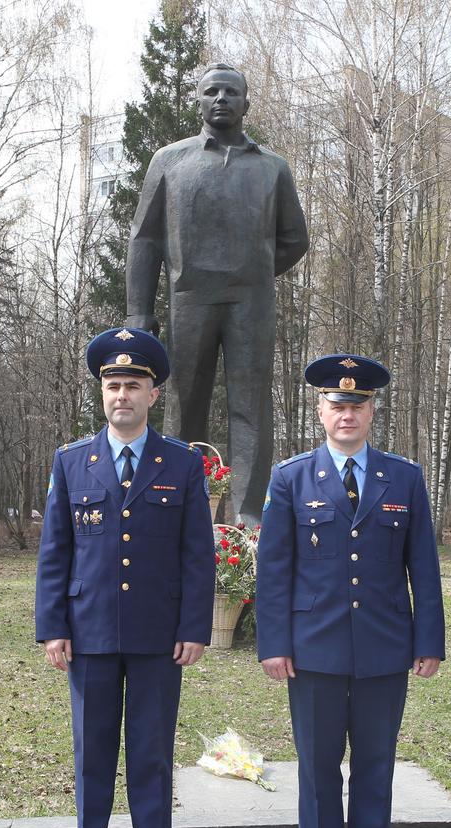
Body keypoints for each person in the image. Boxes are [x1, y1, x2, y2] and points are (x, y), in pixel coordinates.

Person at [255, 354, 445, 828]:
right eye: (337, 404)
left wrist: (429, 641)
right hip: (313, 650)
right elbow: (273, 570)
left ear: (371, 412)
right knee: (317, 771)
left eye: (357, 405)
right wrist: (273, 644)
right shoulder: (291, 478)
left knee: (376, 769)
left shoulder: (403, 477)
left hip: (384, 648)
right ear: (321, 410)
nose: (347, 414)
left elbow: (423, 568)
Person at [36, 327, 215, 828]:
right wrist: (52, 627)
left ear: (153, 394)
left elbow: (197, 554)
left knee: (151, 757)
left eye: (134, 385)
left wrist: (194, 627)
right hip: (88, 633)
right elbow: (55, 551)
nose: (122, 395)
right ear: (102, 392)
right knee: (91, 757)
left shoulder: (182, 463)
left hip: (158, 637)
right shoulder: (72, 462)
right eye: (114, 385)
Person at [125, 61, 309, 527]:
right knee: (187, 402)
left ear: (246, 103)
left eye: (231, 92)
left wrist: (255, 271)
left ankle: (250, 516)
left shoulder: (271, 167)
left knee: (251, 404)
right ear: (199, 101)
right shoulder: (170, 160)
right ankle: (184, 507)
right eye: (212, 92)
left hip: (251, 301)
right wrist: (138, 312)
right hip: (189, 298)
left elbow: (294, 238)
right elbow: (145, 239)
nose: (221, 99)